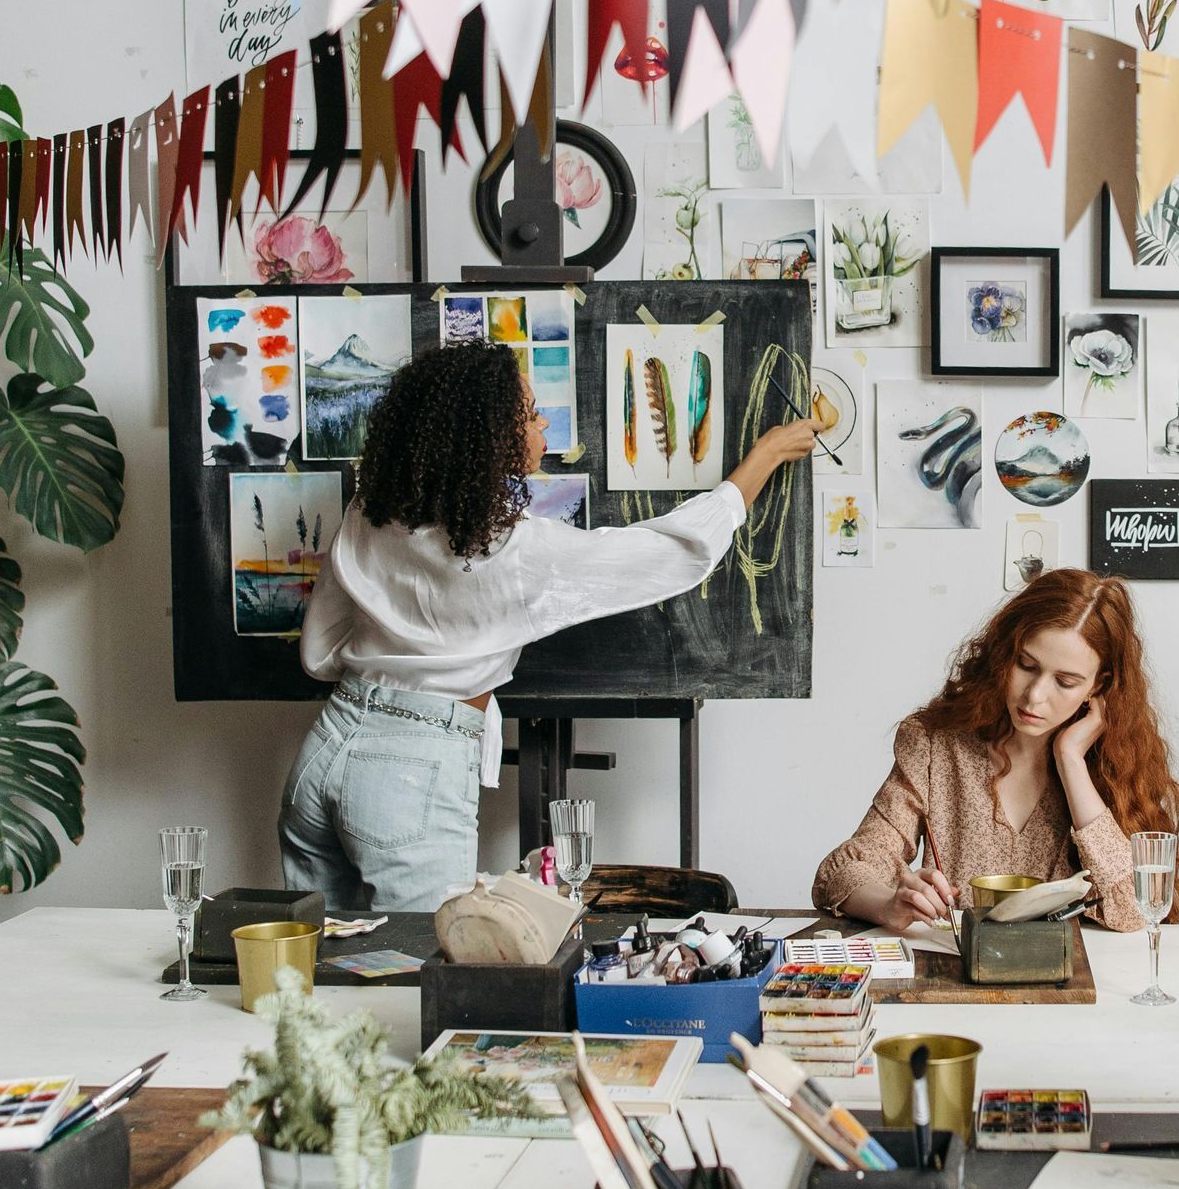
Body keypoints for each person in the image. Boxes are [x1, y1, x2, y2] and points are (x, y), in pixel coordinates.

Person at [279, 339, 817, 911]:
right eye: (531, 414)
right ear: (490, 437)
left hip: (330, 742)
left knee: (315, 975)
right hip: (409, 775)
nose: (544, 425)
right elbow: (673, 552)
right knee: (423, 980)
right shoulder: (512, 552)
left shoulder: (373, 509)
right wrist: (765, 456)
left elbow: (321, 647)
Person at [812, 568, 1179, 933]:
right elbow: (843, 870)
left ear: (1096, 687)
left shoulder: (1111, 763)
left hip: (1070, 985)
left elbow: (1135, 912)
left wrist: (1070, 760)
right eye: (1026, 665)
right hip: (958, 979)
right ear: (1004, 653)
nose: (1035, 696)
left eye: (1065, 682)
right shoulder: (934, 745)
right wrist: (889, 904)